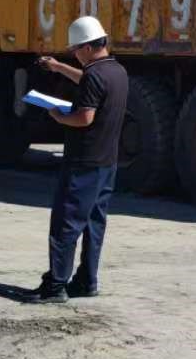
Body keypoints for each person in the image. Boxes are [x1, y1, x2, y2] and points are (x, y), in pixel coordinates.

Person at [25, 15, 128, 303]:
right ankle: (86, 281)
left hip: (84, 162)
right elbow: (89, 82)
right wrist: (59, 67)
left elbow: (84, 118)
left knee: (66, 223)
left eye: (75, 50)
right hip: (107, 162)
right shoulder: (117, 71)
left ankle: (55, 286)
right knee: (94, 223)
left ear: (86, 48)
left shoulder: (95, 76)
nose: (75, 55)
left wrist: (58, 115)